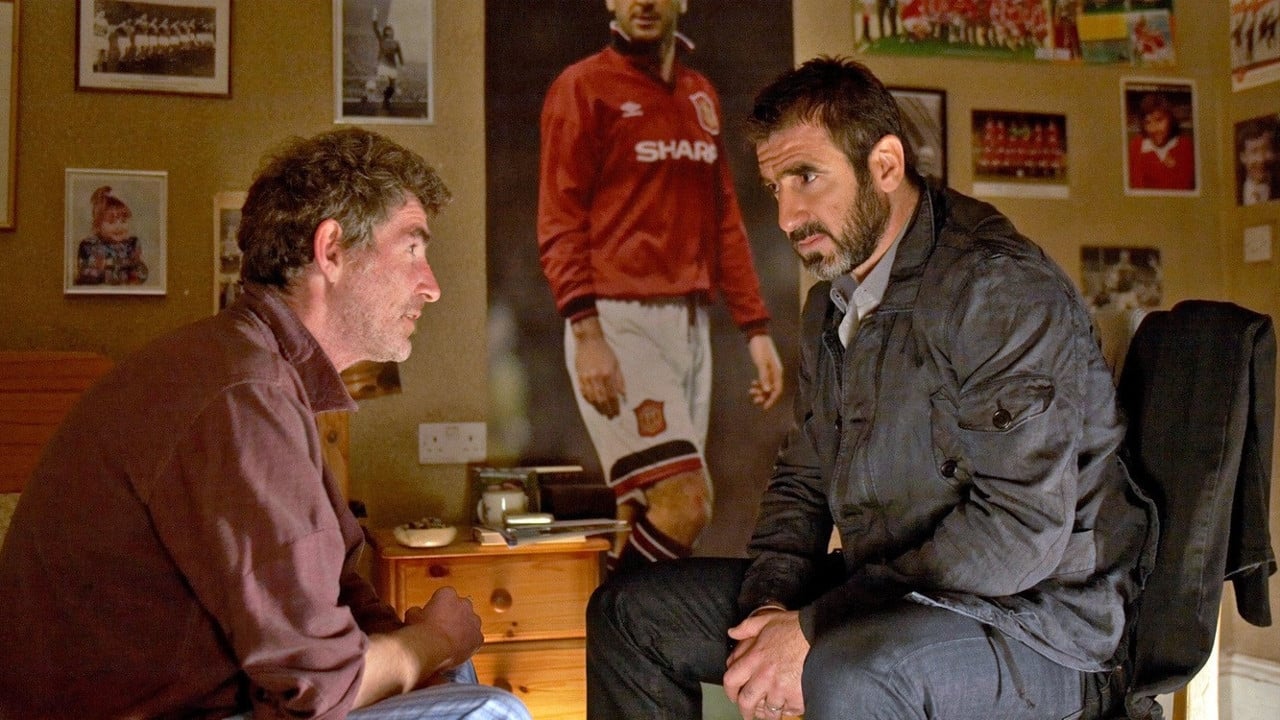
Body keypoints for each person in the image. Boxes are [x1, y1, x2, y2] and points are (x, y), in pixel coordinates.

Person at [586, 56, 1156, 720]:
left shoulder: (996, 290)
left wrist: (815, 628)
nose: (788, 216)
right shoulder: (831, 306)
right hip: (887, 594)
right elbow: (803, 481)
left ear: (884, 165)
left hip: (1040, 626)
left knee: (848, 670)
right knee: (631, 613)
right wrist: (771, 609)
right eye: (774, 187)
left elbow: (1019, 533)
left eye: (806, 177)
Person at [0, 128, 531, 720]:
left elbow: (332, 599)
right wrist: (433, 639)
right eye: (412, 249)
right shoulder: (243, 395)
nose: (431, 287)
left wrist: (421, 651)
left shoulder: (250, 372)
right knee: (490, 712)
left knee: (450, 676)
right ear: (331, 250)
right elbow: (317, 686)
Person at [536, 0, 784, 574]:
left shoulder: (699, 94)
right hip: (618, 323)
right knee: (686, 503)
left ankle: (620, 628)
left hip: (689, 324)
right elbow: (559, 219)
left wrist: (755, 329)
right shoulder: (582, 87)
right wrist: (588, 333)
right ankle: (617, 619)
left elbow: (723, 217)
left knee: (645, 509)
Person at [74, 185, 149, 285]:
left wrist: (135, 274)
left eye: (123, 221)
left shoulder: (130, 245)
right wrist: (97, 270)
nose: (119, 226)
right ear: (98, 225)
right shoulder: (90, 246)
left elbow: (141, 272)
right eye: (111, 222)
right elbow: (83, 276)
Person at [1127, 91, 1196, 191]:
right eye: (1148, 122)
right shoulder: (1136, 146)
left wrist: (1172, 169)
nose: (1153, 129)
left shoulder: (1184, 145)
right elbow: (1136, 187)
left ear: (1170, 120)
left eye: (1159, 120)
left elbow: (1185, 188)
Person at [371, 5, 403, 111]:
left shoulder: (396, 43)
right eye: (387, 31)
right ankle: (374, 90)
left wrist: (402, 64)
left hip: (392, 65)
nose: (389, 32)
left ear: (392, 32)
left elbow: (399, 53)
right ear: (385, 32)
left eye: (390, 31)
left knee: (392, 87)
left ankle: (386, 99)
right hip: (383, 64)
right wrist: (375, 17)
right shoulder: (382, 40)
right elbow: (375, 29)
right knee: (383, 81)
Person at [1238, 118, 1278, 205]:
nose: (1261, 159)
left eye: (1267, 149)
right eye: (1254, 151)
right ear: (1243, 157)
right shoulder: (1231, 191)